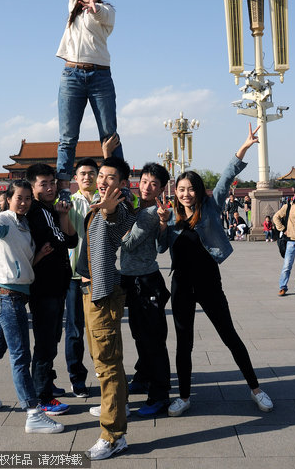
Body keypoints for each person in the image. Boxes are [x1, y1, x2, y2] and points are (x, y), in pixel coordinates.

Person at [157, 125, 273, 417]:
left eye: (190, 188)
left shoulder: (210, 206)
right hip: (181, 285)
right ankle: (183, 397)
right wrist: (161, 224)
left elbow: (226, 176)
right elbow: (160, 248)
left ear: (198, 189)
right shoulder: (170, 216)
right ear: (176, 191)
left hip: (209, 283)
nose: (186, 194)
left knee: (230, 336)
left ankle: (256, 389)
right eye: (181, 189)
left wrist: (244, 146)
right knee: (184, 344)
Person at [0, 179, 64, 434]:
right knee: (21, 354)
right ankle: (32, 412)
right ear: (9, 199)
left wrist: (40, 255)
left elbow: (23, 261)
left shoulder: (23, 224)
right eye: (18, 198)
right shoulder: (4, 219)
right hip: (7, 296)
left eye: (26, 198)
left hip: (14, 295)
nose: (23, 202)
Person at [55, 0, 122, 193]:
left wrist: (95, 9)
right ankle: (61, 189)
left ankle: (118, 186)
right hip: (71, 75)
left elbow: (102, 15)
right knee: (68, 137)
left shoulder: (106, 11)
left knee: (109, 133)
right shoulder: (73, 5)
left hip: (99, 76)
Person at [75, 157, 135, 460]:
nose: (102, 181)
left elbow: (117, 215)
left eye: (111, 178)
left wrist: (109, 207)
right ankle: (119, 408)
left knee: (106, 365)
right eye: (101, 176)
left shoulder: (118, 208)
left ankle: (112, 435)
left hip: (102, 295)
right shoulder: (97, 205)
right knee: (107, 361)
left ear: (122, 184)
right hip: (92, 292)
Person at [25, 163, 78, 417]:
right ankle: (41, 396)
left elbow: (71, 240)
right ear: (33, 187)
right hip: (43, 287)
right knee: (46, 342)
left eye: (52, 183)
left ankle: (45, 382)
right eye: (43, 184)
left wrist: (63, 215)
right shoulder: (34, 211)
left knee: (53, 338)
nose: (49, 188)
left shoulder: (51, 209)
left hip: (58, 285)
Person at [120, 162, 172, 416]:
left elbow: (128, 243)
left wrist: (114, 222)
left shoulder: (150, 213)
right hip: (132, 279)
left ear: (161, 188)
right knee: (140, 335)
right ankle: (143, 376)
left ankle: (160, 394)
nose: (147, 187)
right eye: (144, 182)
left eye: (154, 184)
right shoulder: (139, 208)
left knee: (153, 339)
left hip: (146, 281)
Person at [65, 157, 100, 398]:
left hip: (100, 273)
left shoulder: (105, 200)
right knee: (75, 329)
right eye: (82, 174)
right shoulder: (66, 202)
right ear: (75, 179)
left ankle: (102, 369)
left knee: (100, 328)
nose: (87, 177)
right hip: (73, 275)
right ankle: (77, 377)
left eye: (91, 173)